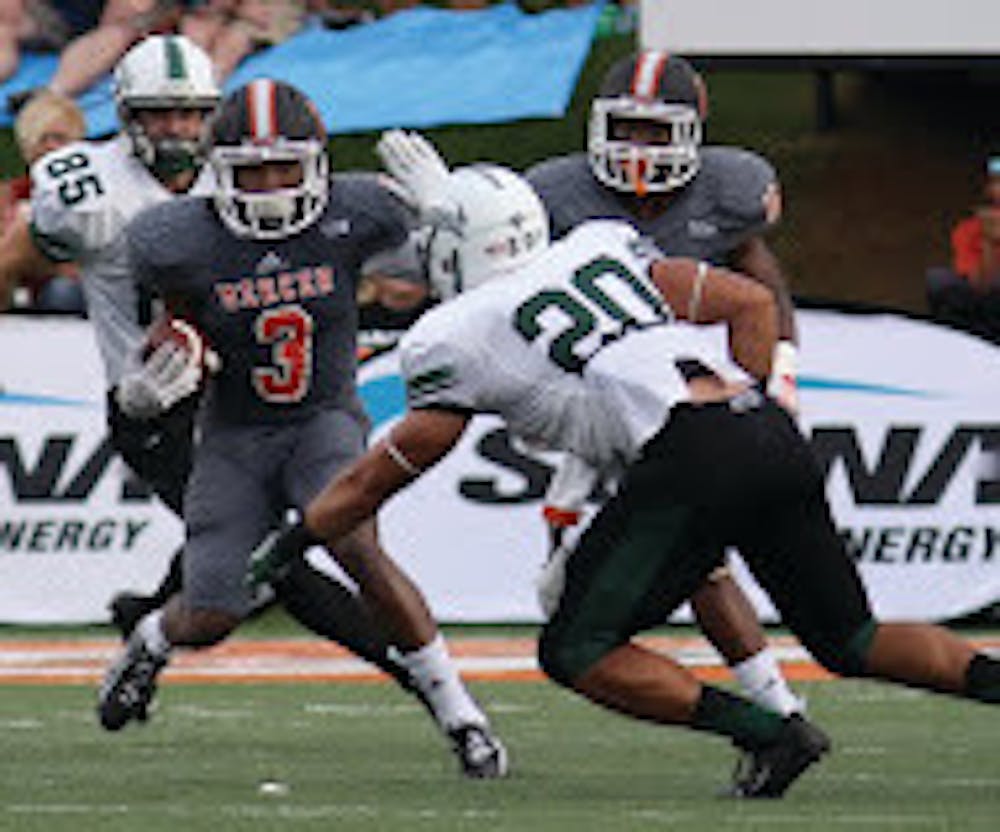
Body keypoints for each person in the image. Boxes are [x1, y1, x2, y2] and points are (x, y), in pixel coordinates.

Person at [248, 155, 1000, 799]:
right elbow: (750, 302)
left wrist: (293, 540)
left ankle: (772, 734)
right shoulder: (599, 249)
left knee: (576, 647)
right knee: (851, 637)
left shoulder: (455, 334)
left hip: (687, 455)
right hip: (760, 426)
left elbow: (383, 473)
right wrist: (755, 403)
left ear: (452, 250)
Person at [95, 78, 507, 780]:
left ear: (317, 160)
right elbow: (177, 322)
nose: (270, 184)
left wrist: (451, 210)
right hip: (234, 436)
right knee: (213, 611)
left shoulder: (361, 210)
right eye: (251, 170)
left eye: (285, 165)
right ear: (217, 170)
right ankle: (152, 638)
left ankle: (461, 716)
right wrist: (149, 385)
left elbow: (472, 269)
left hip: (324, 419)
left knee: (356, 546)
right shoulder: (176, 238)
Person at [525, 50, 803, 716]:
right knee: (571, 578)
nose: (639, 149)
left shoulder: (728, 190)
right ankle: (772, 705)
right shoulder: (554, 194)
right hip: (588, 400)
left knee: (701, 565)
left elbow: (762, 286)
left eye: (656, 132)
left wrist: (777, 378)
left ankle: (775, 707)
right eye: (626, 129)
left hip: (678, 405)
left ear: (692, 131)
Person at [6, 0, 184, 114]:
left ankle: (49, 95)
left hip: (107, 28)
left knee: (118, 31)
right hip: (53, 17)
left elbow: (125, 15)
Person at [0, 89, 86, 313]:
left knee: (62, 292)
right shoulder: (10, 193)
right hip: (16, 289)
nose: (50, 147)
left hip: (69, 288)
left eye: (59, 139)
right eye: (42, 139)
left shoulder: (87, 191)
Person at [926, 154, 1000, 343]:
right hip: (989, 299)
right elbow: (981, 286)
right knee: (939, 280)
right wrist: (989, 242)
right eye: (995, 183)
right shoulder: (969, 229)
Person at [180, 1, 309, 86]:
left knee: (234, 40)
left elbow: (258, 13)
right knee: (197, 28)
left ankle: (209, 86)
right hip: (233, 12)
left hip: (267, 19)